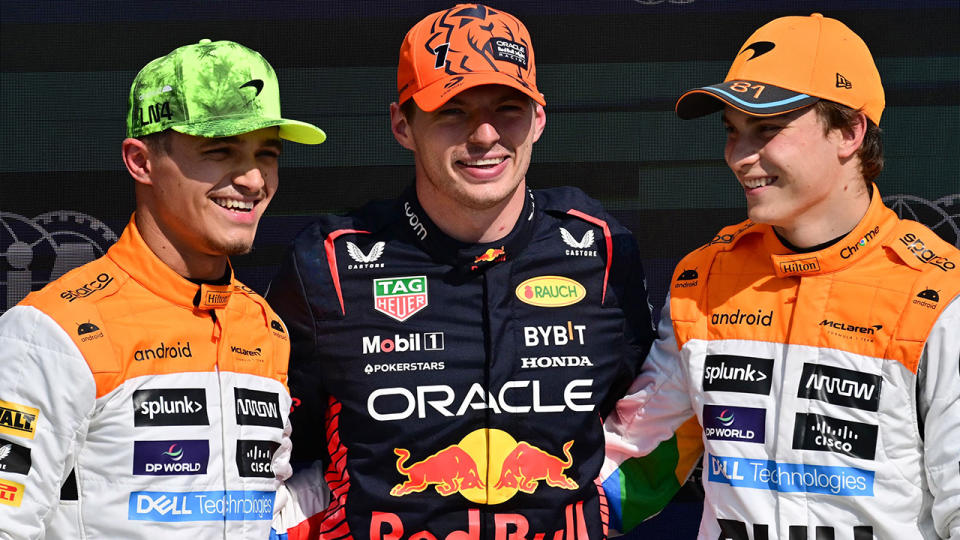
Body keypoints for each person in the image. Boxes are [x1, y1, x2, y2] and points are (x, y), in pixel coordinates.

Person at [266, 4, 681, 539]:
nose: (484, 134)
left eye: (508, 108)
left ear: (539, 119)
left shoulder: (600, 248)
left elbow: (652, 421)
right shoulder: (328, 262)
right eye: (452, 111)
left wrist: (596, 516)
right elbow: (268, 455)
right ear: (402, 125)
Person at [602, 13, 960, 539]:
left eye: (767, 129)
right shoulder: (706, 278)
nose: (741, 157)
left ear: (849, 131)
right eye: (733, 131)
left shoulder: (937, 295)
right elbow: (637, 459)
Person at [0, 39, 325, 539]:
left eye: (268, 153)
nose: (255, 179)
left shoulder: (265, 328)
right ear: (140, 161)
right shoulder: (49, 332)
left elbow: (264, 513)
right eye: (220, 151)